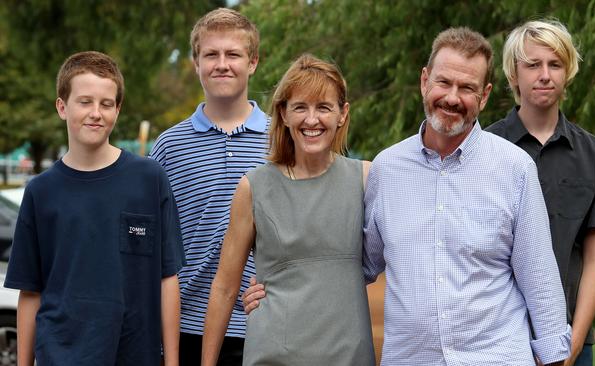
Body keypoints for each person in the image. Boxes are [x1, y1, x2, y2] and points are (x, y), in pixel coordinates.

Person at [242, 27, 571, 365]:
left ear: (484, 95)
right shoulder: (387, 170)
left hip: (497, 356)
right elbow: (354, 264)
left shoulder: (514, 168)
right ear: (424, 81)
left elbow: (541, 282)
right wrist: (278, 287)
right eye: (443, 82)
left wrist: (554, 356)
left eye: (467, 88)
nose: (453, 98)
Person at [4, 51, 185, 366]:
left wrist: (171, 362)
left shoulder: (149, 178)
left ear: (118, 109)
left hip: (134, 356)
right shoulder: (40, 192)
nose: (95, 113)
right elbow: (30, 292)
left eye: (106, 104)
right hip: (59, 355)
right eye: (84, 101)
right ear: (62, 107)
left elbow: (167, 278)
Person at [202, 54, 375, 366]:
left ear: (342, 114)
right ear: (282, 113)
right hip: (273, 354)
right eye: (300, 107)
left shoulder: (365, 179)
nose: (312, 120)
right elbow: (225, 287)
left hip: (348, 355)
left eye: (323, 107)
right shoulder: (253, 187)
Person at [486, 20, 595, 366]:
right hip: (495, 339)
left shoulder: (593, 153)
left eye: (555, 64)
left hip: (571, 337)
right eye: (533, 64)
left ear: (567, 71)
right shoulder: (483, 148)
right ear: (513, 73)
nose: (544, 75)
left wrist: (571, 345)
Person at [149, 8, 268, 365]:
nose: (222, 64)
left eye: (233, 54)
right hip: (183, 327)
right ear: (195, 62)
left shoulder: (282, 141)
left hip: (261, 324)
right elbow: (153, 246)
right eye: (211, 54)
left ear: (253, 62)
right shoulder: (169, 146)